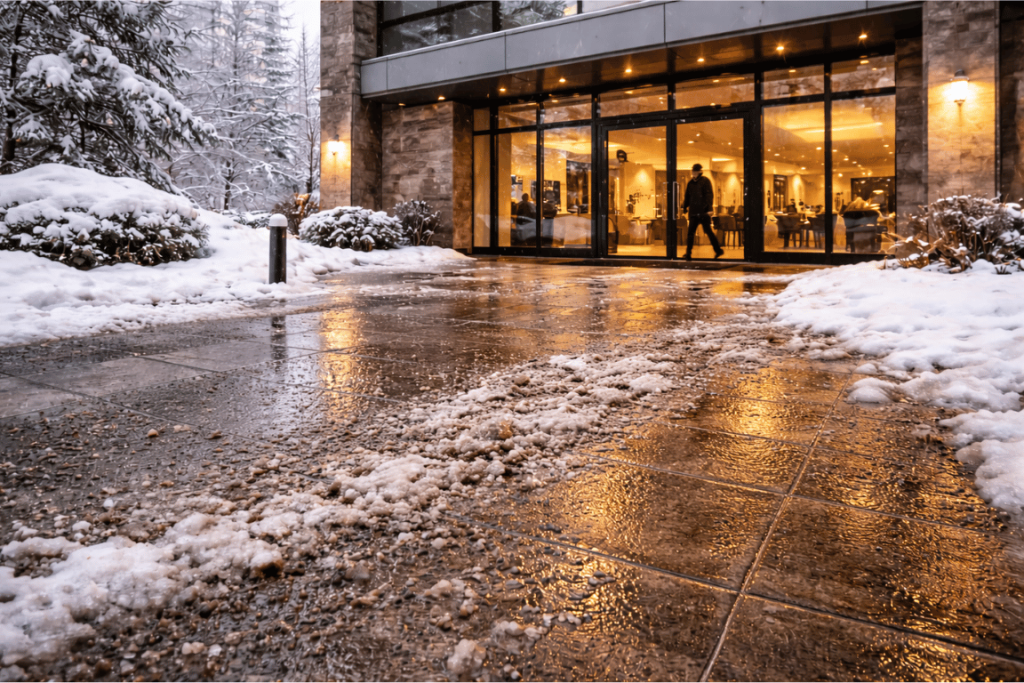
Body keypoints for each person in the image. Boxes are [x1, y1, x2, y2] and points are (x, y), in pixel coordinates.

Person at [682, 163, 724, 260]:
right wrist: (684, 207)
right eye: (693, 171)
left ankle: (718, 250)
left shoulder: (705, 181)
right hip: (693, 212)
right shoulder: (690, 183)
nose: (694, 173)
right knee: (691, 233)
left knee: (708, 231)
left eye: (696, 171)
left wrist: (709, 208)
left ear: (700, 172)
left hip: (703, 212)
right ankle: (688, 253)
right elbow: (687, 196)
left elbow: (709, 195)